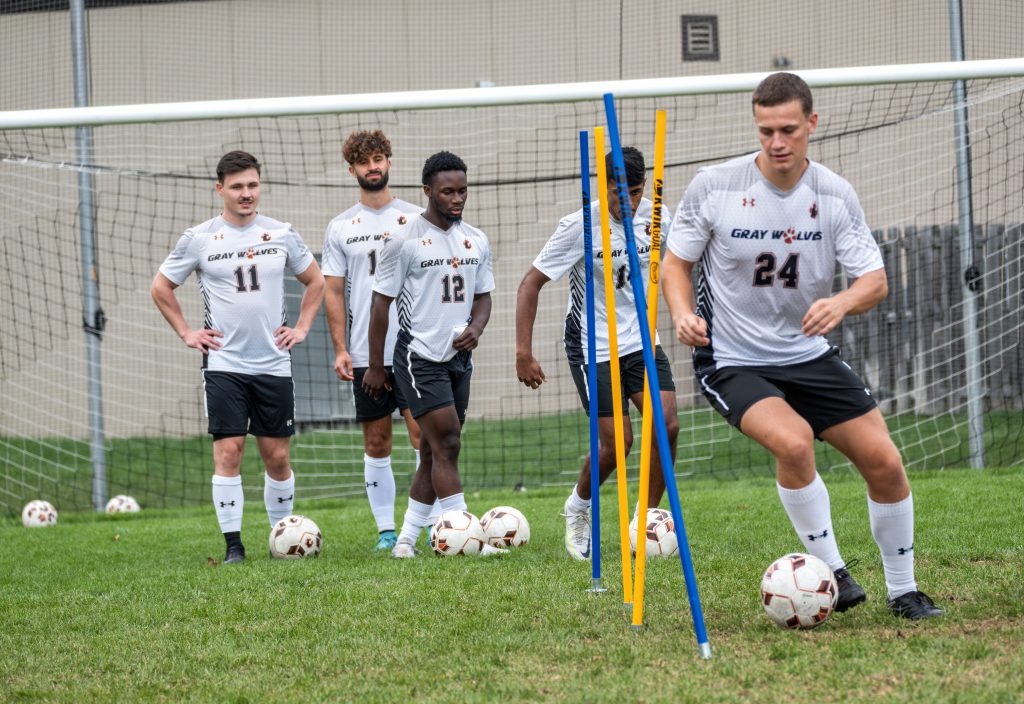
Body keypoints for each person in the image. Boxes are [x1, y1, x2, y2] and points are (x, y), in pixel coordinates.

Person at [661, 72, 944, 619]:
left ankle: (903, 590)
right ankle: (831, 572)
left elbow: (875, 280)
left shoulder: (834, 194)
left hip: (809, 355)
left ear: (812, 123)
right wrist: (680, 311)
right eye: (765, 130)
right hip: (732, 359)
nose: (777, 142)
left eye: (788, 128)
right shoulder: (716, 185)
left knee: (885, 462)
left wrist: (840, 303)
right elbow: (675, 263)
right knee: (793, 444)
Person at [151, 150, 325, 564]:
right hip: (224, 365)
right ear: (220, 190)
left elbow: (315, 281)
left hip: (273, 363)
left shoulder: (281, 233)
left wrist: (300, 329)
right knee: (229, 452)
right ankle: (234, 547)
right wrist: (187, 332)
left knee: (277, 456)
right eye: (237, 187)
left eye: (252, 185)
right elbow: (161, 287)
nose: (246, 194)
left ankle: (281, 539)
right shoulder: (199, 238)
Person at [515, 147, 679, 561]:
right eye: (620, 192)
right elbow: (529, 284)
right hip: (594, 345)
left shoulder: (657, 216)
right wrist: (523, 352)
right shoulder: (580, 226)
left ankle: (647, 519)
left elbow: (678, 266)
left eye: (637, 192)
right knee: (617, 445)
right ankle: (578, 508)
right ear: (603, 186)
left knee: (667, 425)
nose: (630, 202)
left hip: (642, 340)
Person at [364, 150, 502, 558]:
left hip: (459, 360)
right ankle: (465, 536)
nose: (457, 199)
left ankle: (405, 541)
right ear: (428, 191)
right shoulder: (403, 241)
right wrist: (376, 365)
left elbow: (483, 297)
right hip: (418, 357)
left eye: (462, 191)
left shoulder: (475, 239)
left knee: (431, 449)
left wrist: (476, 329)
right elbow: (379, 305)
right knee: (449, 442)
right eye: (447, 192)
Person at [322, 130, 439, 552]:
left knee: (424, 437)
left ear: (389, 161)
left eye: (378, 159)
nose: (372, 167)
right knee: (376, 441)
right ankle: (386, 531)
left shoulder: (416, 218)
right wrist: (340, 348)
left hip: (414, 348)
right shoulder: (340, 227)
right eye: (363, 162)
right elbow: (333, 291)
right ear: (351, 170)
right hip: (364, 352)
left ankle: (435, 523)